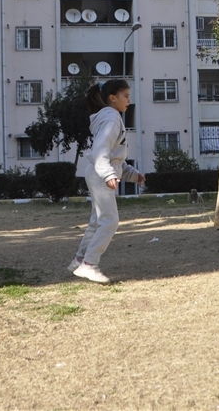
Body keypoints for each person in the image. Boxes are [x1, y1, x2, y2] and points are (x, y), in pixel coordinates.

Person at [68, 79, 145, 284]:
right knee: (110, 221)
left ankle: (79, 260)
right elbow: (101, 150)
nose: (129, 100)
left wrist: (131, 173)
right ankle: (89, 265)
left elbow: (114, 156)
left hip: (96, 171)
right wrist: (109, 175)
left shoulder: (111, 117)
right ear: (113, 98)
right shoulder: (112, 118)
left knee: (98, 221)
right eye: (126, 96)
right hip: (100, 173)